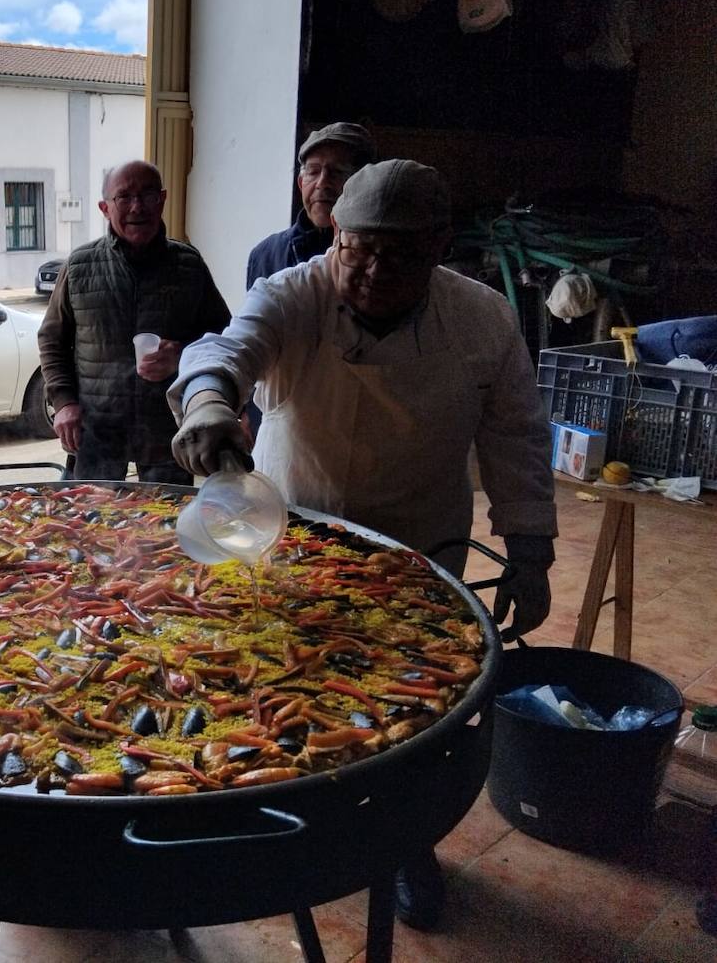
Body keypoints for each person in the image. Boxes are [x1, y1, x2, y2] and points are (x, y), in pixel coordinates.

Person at [169, 159, 557, 930]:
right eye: (359, 249)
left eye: (401, 254)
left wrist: (532, 544)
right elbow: (230, 346)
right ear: (335, 236)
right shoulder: (296, 291)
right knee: (271, 685)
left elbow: (516, 435)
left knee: (405, 715)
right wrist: (211, 402)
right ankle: (270, 817)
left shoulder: (481, 319)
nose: (375, 270)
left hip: (417, 549)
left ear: (440, 246)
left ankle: (400, 846)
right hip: (295, 540)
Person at [37, 160, 230, 484]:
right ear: (105, 207)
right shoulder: (81, 265)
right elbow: (51, 339)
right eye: (124, 197)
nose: (137, 207)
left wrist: (182, 356)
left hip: (168, 434)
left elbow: (223, 339)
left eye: (148, 195)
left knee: (164, 528)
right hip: (96, 432)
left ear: (163, 199)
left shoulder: (188, 265)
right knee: (90, 525)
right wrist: (64, 402)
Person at [245, 121, 376, 289]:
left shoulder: (379, 255)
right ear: (300, 183)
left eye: (337, 172)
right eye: (313, 172)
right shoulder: (266, 254)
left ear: (365, 184)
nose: (322, 183)